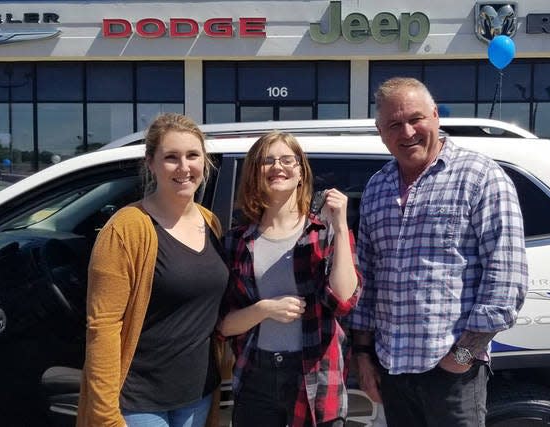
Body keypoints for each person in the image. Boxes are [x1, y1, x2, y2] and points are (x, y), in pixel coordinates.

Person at [348, 77, 528, 426]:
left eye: (416, 118)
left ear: (435, 115)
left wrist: (461, 357)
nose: (407, 131)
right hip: (393, 370)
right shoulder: (376, 187)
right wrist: (363, 354)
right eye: (394, 124)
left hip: (452, 374)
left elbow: (506, 279)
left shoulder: (479, 176)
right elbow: (365, 278)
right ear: (380, 131)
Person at [76, 113, 228, 427]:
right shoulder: (126, 229)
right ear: (151, 163)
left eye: (192, 155)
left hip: (196, 395)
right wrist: (105, 416)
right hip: (139, 401)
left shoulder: (211, 222)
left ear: (204, 161)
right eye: (171, 157)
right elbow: (103, 327)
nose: (184, 167)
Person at [218, 131, 361, 427]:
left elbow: (344, 300)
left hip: (316, 377)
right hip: (256, 376)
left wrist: (340, 223)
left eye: (286, 159)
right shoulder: (237, 241)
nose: (277, 167)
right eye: (266, 161)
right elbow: (224, 325)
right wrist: (264, 309)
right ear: (255, 174)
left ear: (301, 171)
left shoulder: (325, 233)